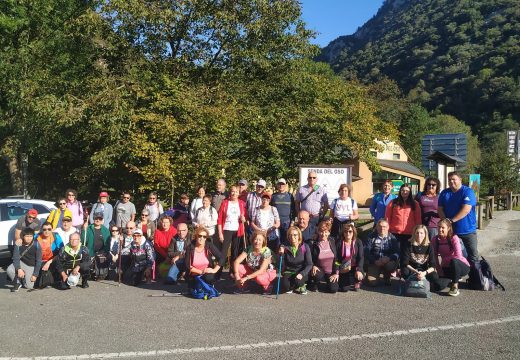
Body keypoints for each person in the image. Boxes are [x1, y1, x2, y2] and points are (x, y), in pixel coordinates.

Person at [438, 171, 479, 266]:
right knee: (453, 255)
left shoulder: (468, 191)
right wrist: (445, 223)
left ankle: (475, 277)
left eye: (454, 179)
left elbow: (466, 209)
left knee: (473, 256)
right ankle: (455, 275)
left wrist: (451, 221)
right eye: (449, 180)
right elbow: (440, 209)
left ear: (460, 180)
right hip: (452, 232)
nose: (451, 181)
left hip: (468, 231)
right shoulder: (444, 193)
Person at [431, 219, 471, 297]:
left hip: (461, 266)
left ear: (448, 228)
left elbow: (458, 255)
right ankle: (453, 278)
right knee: (437, 286)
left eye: (443, 227)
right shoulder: (435, 239)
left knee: (454, 261)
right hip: (447, 268)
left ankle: (455, 286)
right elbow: (434, 256)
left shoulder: (454, 237)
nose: (440, 229)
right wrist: (439, 271)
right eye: (439, 227)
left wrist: (445, 260)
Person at [217, 185, 247, 276]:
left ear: (239, 193)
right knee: (223, 252)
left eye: (236, 191)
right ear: (230, 193)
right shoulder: (225, 203)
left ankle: (233, 271)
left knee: (235, 252)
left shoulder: (242, 203)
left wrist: (243, 219)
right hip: (227, 229)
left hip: (238, 230)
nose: (234, 193)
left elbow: (245, 218)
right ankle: (218, 271)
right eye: (232, 191)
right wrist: (220, 233)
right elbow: (219, 219)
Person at [400, 224, 440, 291]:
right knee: (404, 271)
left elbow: (433, 265)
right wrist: (416, 272)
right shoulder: (408, 244)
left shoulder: (429, 246)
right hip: (412, 270)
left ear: (425, 234)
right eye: (417, 233)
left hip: (424, 270)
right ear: (414, 234)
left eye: (421, 233)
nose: (419, 235)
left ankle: (425, 284)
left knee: (434, 277)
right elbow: (405, 263)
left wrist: (424, 273)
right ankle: (410, 282)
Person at [385, 183, 421, 253]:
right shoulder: (393, 202)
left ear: (410, 192)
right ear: (400, 191)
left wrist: (417, 231)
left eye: (407, 191)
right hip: (395, 233)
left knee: (407, 253)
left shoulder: (415, 204)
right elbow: (387, 217)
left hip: (410, 233)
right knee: (396, 253)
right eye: (403, 190)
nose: (404, 192)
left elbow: (418, 219)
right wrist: (387, 230)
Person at [364, 219, 400, 286]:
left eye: (384, 226)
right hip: (375, 262)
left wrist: (388, 258)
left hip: (387, 262)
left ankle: (387, 276)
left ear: (388, 227)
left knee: (390, 265)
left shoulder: (392, 238)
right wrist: (374, 261)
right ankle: (369, 274)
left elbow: (397, 253)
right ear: (376, 227)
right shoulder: (371, 237)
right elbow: (366, 251)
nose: (382, 228)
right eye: (380, 226)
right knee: (372, 283)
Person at [279, 226, 312, 294]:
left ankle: (302, 285)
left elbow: (309, 264)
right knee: (286, 287)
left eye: (295, 235)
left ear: (299, 236)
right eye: (290, 235)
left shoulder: (305, 246)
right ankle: (292, 285)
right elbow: (281, 264)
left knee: (298, 282)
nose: (292, 237)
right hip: (289, 271)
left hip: (300, 271)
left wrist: (302, 274)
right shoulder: (284, 247)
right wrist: (280, 254)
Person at [295, 171, 328, 238]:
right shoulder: (301, 189)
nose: (312, 179)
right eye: (310, 177)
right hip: (304, 219)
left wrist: (322, 215)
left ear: (316, 179)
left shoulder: (321, 190)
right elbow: (297, 203)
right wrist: (299, 214)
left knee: (316, 236)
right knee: (304, 236)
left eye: (314, 177)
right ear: (307, 179)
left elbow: (326, 204)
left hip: (316, 218)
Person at [308, 221, 338, 293]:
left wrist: (336, 273)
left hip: (331, 271)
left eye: (326, 232)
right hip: (319, 270)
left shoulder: (333, 241)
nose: (323, 234)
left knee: (333, 289)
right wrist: (313, 265)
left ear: (329, 232)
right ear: (318, 231)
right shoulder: (313, 243)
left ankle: (328, 283)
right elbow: (309, 258)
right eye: (321, 231)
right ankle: (314, 283)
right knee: (317, 275)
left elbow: (337, 260)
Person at [334, 223, 364, 292]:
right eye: (346, 231)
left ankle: (357, 281)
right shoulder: (339, 243)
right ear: (343, 233)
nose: (348, 233)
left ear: (353, 232)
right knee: (344, 289)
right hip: (344, 267)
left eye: (350, 231)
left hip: (355, 267)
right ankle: (348, 280)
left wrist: (359, 270)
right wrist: (337, 271)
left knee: (359, 275)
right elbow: (336, 260)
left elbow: (361, 257)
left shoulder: (358, 242)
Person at [35, 222, 64, 287]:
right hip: (40, 260)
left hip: (53, 259)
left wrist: (49, 262)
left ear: (52, 229)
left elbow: (61, 251)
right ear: (41, 230)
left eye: (49, 229)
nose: (47, 231)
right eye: (44, 229)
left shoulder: (56, 236)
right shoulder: (36, 237)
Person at [270, 178, 295, 247]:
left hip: (287, 223)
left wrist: (292, 222)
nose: (281, 186)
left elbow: (293, 209)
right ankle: (277, 256)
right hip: (275, 223)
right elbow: (270, 209)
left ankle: (285, 256)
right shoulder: (273, 196)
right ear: (277, 185)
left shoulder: (290, 196)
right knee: (276, 241)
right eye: (279, 184)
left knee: (286, 242)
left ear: (285, 185)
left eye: (283, 184)